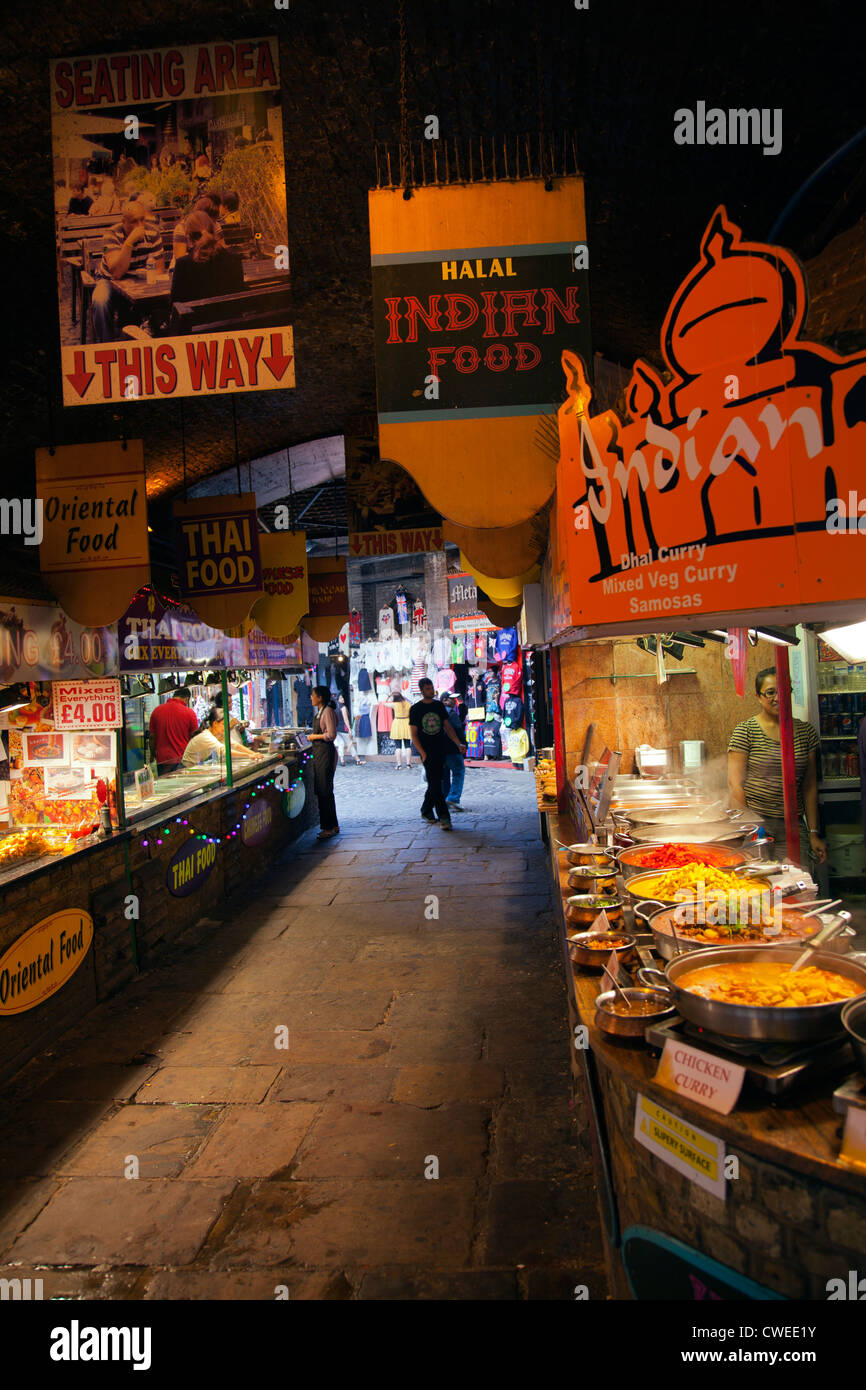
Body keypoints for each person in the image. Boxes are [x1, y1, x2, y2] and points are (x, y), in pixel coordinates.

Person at [728, 666, 827, 867]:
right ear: (758, 696)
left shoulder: (805, 732)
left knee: (798, 883)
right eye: (770, 692)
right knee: (760, 884)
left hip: (793, 825)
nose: (777, 698)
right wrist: (747, 826)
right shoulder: (746, 731)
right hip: (758, 823)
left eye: (783, 691)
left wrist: (813, 832)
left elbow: (809, 786)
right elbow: (734, 784)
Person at [91, 201, 163, 342]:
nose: (140, 226)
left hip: (138, 280)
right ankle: (107, 345)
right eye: (134, 222)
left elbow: (160, 270)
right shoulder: (109, 235)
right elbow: (116, 273)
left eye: (142, 219)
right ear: (123, 221)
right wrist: (129, 242)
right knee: (100, 300)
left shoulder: (153, 233)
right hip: (109, 280)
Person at [410, 677, 467, 830]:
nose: (431, 690)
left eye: (432, 688)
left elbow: (447, 727)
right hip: (426, 751)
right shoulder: (415, 709)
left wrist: (458, 743)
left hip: (440, 749)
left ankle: (426, 810)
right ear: (422, 690)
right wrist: (422, 753)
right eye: (428, 689)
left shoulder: (438, 706)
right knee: (436, 783)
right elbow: (414, 734)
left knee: (436, 782)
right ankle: (444, 816)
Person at [169, 212, 243, 314]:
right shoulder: (234, 259)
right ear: (214, 231)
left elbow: (175, 305)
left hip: (195, 327)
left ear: (188, 236)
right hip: (231, 324)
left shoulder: (184, 264)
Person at [309, 685, 340, 840]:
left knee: (324, 789)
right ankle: (332, 825)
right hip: (320, 753)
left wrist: (314, 737)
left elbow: (332, 734)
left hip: (325, 753)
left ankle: (328, 827)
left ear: (320, 697)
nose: (311, 697)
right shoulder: (321, 712)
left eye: (313, 695)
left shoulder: (327, 711)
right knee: (324, 789)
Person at [148, 687, 199, 775]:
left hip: (162, 760)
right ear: (187, 698)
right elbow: (195, 737)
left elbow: (152, 737)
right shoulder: (189, 713)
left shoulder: (156, 711)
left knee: (165, 786)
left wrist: (152, 755)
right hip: (182, 758)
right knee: (184, 787)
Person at [441, 693, 468, 812]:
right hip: (453, 749)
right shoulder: (451, 714)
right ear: (445, 700)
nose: (454, 701)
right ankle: (453, 798)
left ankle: (445, 800)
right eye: (452, 699)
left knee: (445, 776)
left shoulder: (436, 714)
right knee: (458, 772)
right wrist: (462, 745)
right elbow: (458, 731)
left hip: (441, 750)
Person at [335, 694, 365, 766]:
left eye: (342, 697)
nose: (342, 698)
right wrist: (349, 729)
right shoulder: (343, 707)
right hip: (344, 728)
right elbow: (346, 719)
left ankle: (342, 760)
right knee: (350, 743)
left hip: (336, 728)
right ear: (338, 699)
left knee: (340, 744)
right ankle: (357, 760)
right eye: (340, 698)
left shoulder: (335, 707)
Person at [388, 688, 413, 770]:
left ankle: (399, 765)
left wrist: (389, 695)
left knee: (398, 746)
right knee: (407, 745)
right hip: (406, 722)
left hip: (397, 723)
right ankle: (408, 764)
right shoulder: (407, 703)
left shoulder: (394, 704)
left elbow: (383, 703)